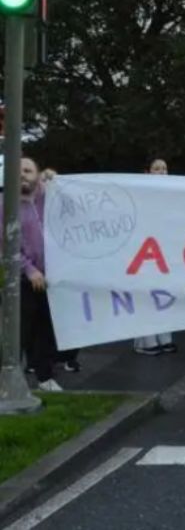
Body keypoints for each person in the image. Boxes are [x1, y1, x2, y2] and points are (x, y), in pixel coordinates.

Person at [6, 159, 61, 391]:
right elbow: (5, 247)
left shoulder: (49, 198)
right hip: (21, 281)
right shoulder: (4, 206)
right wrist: (29, 270)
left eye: (28, 171)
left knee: (46, 330)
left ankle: (45, 377)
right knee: (19, 332)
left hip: (51, 279)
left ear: (37, 175)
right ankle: (8, 380)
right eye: (18, 171)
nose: (22, 175)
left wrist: (56, 179)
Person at [133, 158, 177, 356]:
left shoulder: (173, 193)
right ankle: (145, 340)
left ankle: (165, 336)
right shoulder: (139, 192)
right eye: (157, 168)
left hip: (164, 250)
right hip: (145, 250)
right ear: (148, 172)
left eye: (164, 169)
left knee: (164, 293)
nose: (161, 172)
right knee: (146, 294)